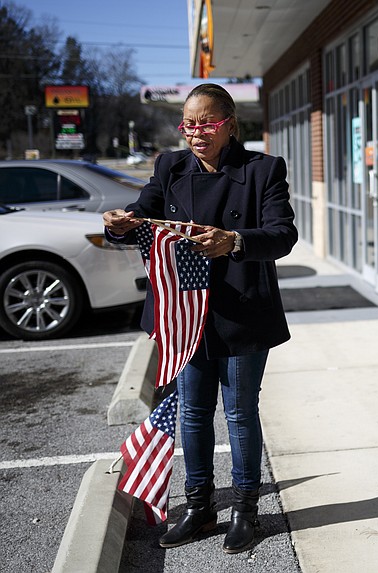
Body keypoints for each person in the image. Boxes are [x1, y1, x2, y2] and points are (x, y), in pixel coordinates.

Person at [103, 83, 298, 554]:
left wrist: (234, 241)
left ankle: (247, 510)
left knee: (239, 412)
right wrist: (122, 223)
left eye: (206, 123)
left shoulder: (262, 170)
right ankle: (199, 507)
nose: (195, 133)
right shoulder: (170, 167)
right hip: (184, 312)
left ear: (230, 124)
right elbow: (144, 214)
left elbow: (282, 234)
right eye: (188, 124)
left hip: (241, 309)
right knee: (191, 412)